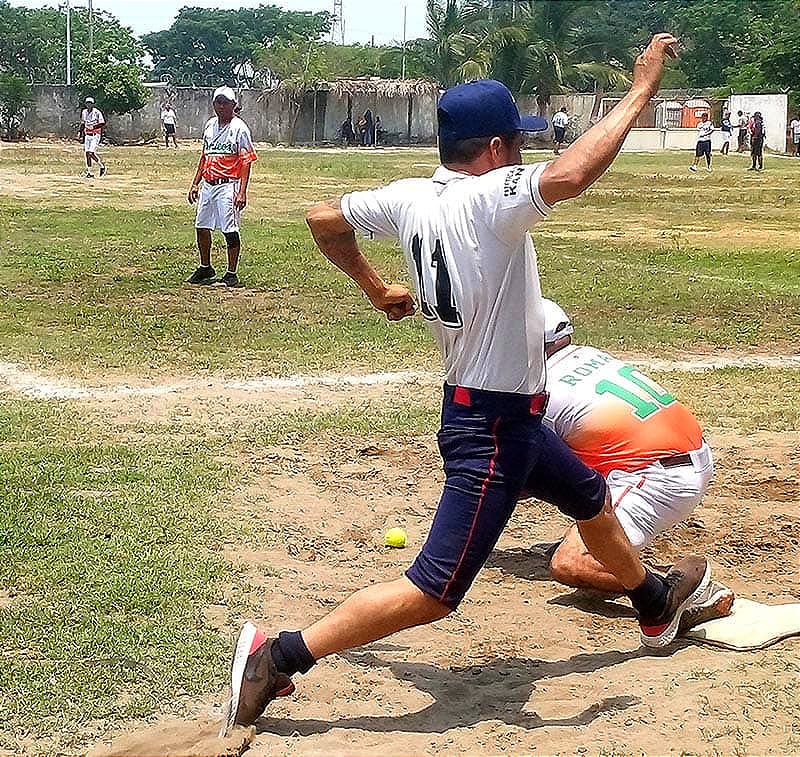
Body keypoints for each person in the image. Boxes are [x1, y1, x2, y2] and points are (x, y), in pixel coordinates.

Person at [220, 34, 714, 737]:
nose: (519, 154)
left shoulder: (411, 197)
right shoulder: (490, 197)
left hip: (508, 418)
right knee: (434, 590)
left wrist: (373, 287)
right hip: (489, 431)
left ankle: (654, 600)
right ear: (493, 149)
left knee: (593, 503)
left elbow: (322, 218)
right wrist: (640, 91)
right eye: (515, 143)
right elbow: (571, 176)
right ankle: (280, 654)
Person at [538, 300, 728, 603]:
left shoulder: (542, 390)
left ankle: (675, 592)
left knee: (570, 562)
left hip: (655, 478)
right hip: (689, 456)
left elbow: (519, 475)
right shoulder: (589, 355)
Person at [186, 86, 257, 288]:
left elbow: (246, 161)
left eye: (226, 102)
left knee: (229, 229)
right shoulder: (210, 126)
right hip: (209, 183)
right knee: (201, 226)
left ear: (234, 105)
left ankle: (231, 273)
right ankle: (205, 266)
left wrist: (242, 191)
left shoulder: (239, 128)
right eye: (218, 102)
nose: (221, 106)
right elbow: (205, 155)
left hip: (228, 184)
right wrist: (195, 183)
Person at [79, 96, 106, 178]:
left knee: (91, 152)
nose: (88, 105)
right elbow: (83, 123)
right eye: (87, 103)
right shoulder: (84, 112)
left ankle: (101, 166)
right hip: (87, 134)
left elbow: (102, 123)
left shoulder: (97, 112)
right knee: (87, 153)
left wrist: (93, 127)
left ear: (93, 104)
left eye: (90, 103)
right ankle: (89, 172)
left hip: (95, 135)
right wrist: (80, 132)